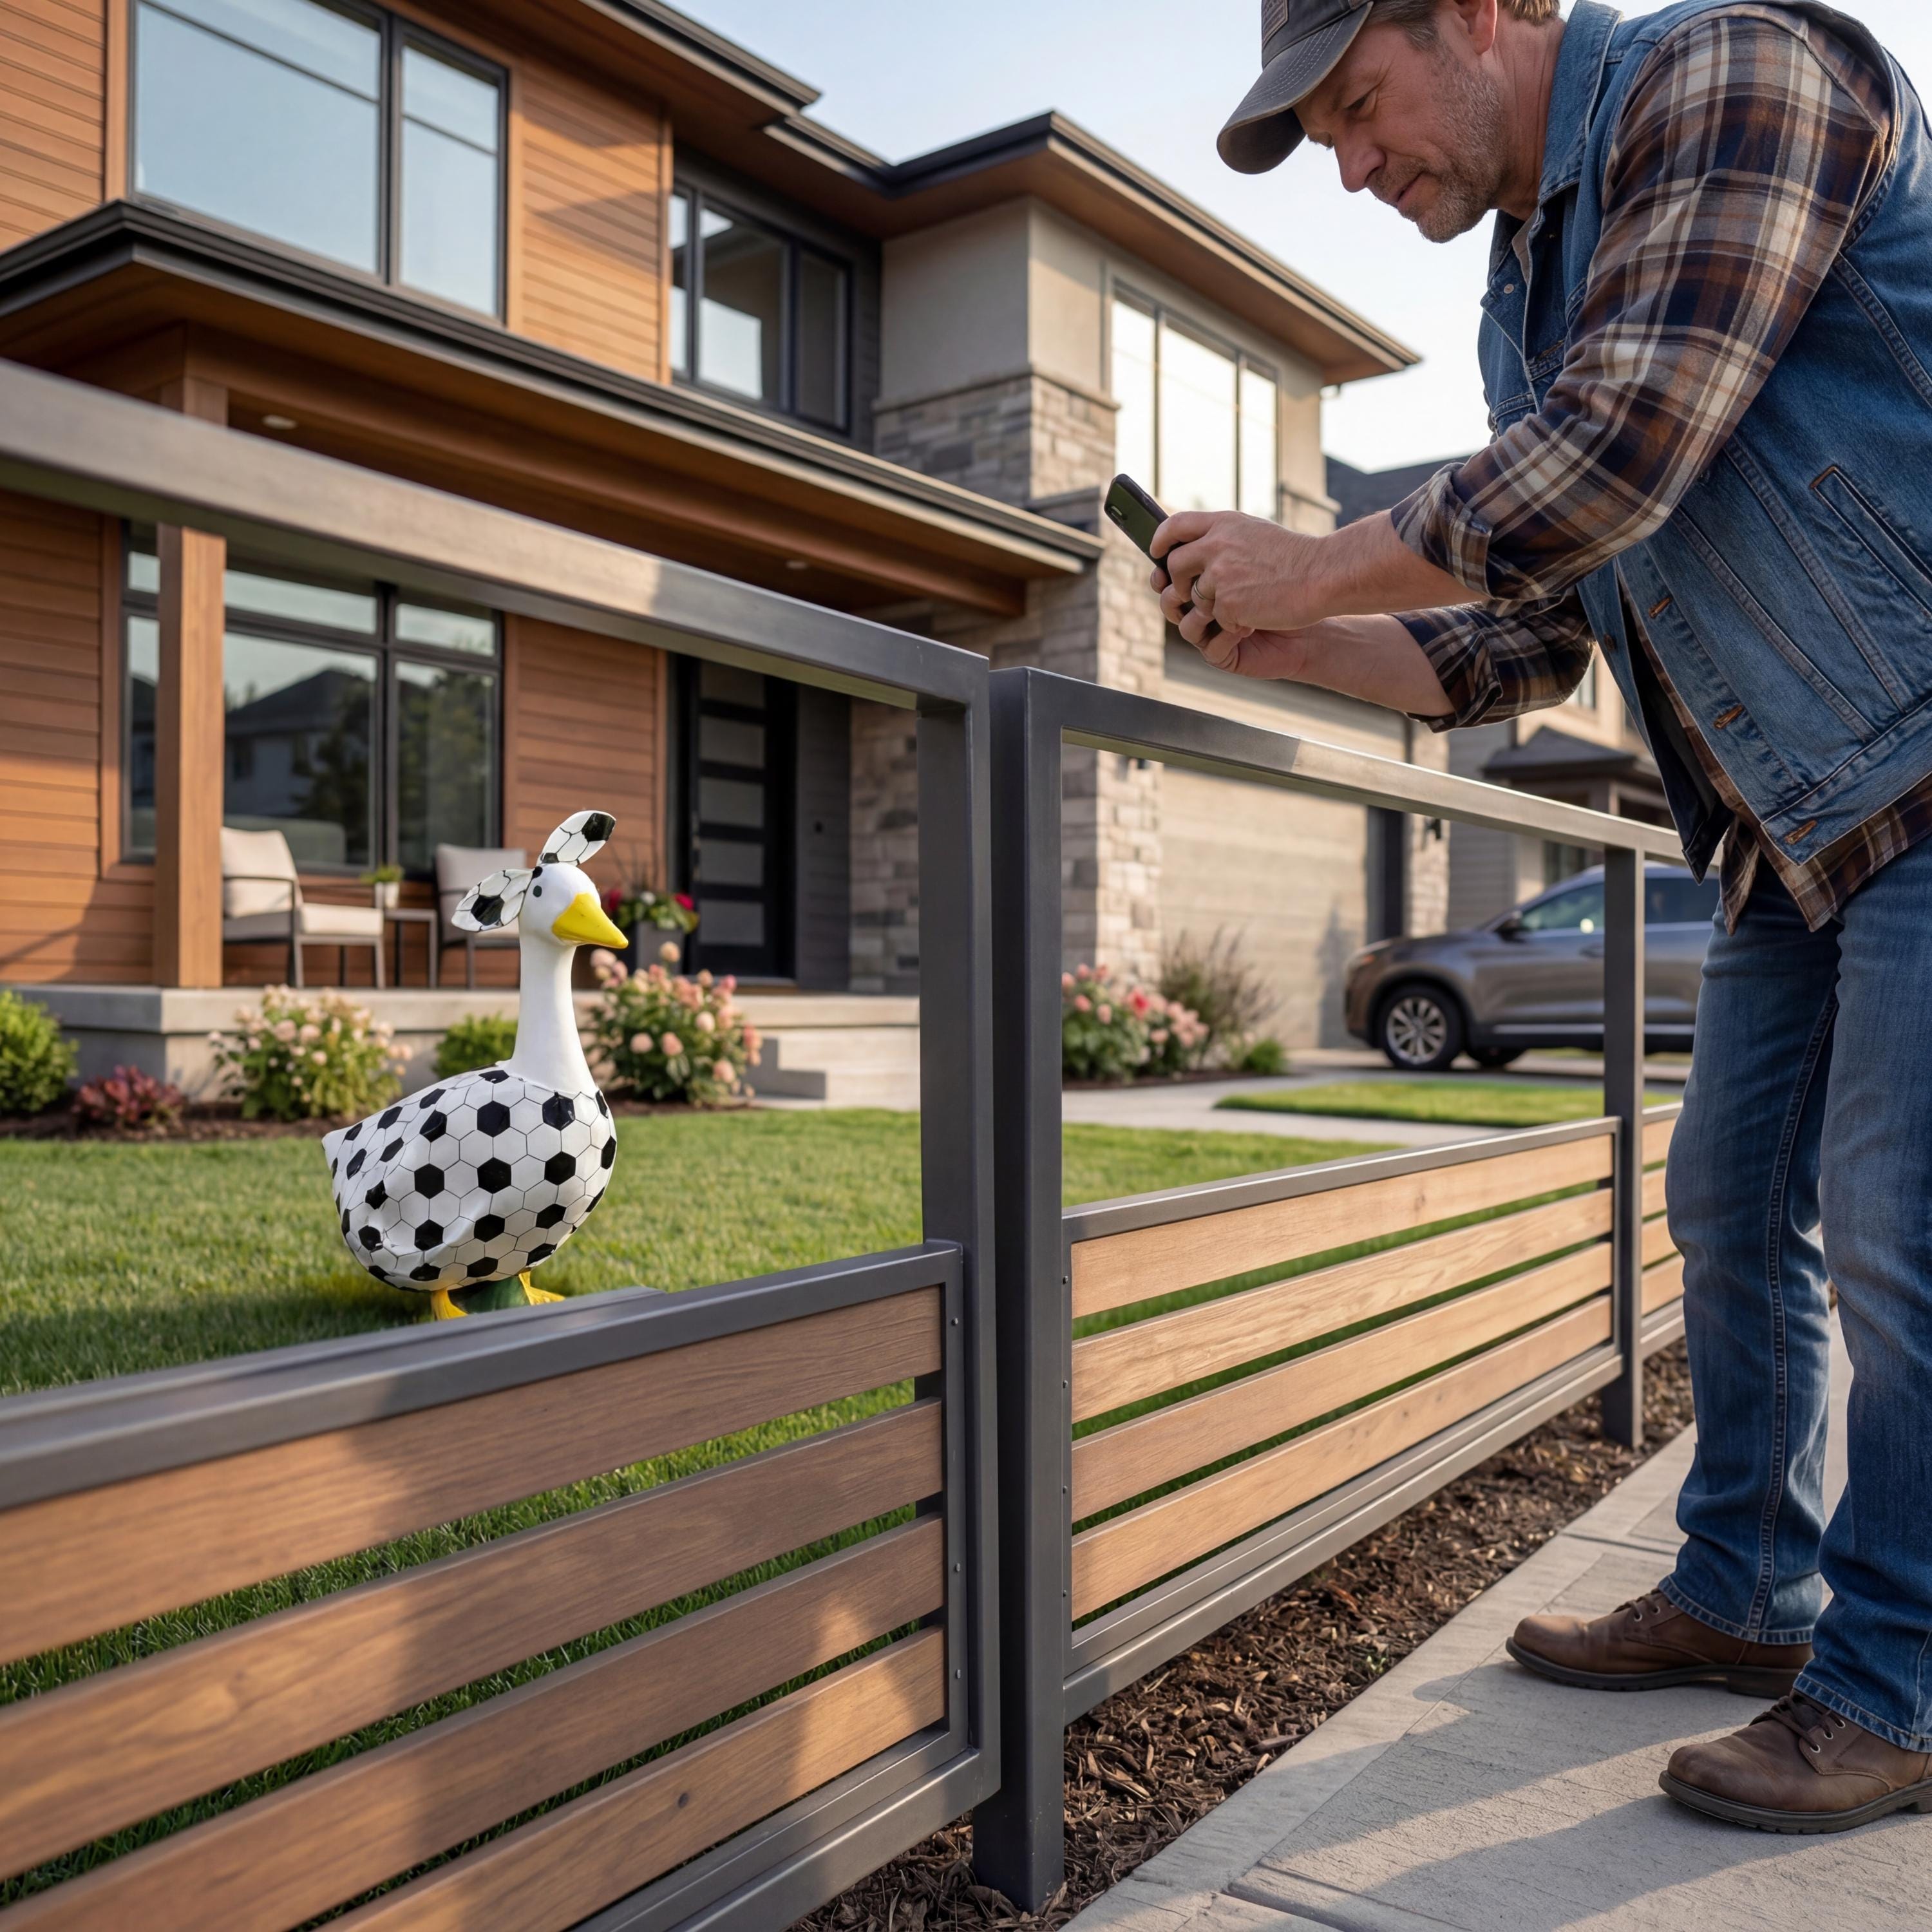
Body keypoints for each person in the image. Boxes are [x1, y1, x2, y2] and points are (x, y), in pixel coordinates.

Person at [1160, 0, 1932, 1832]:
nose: (1351, 166)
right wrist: (1293, 636)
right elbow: (1531, 633)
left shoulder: (1732, 74)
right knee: (1732, 1212)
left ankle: (1898, 1686)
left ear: (1488, 13)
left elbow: (1622, 451)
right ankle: (1750, 1595)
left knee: (1907, 1242)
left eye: (1358, 105)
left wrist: (1314, 550)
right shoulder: (1526, 287)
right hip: (1781, 832)